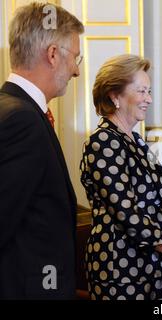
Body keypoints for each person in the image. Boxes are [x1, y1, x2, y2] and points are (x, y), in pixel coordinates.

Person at [80, 54, 162, 300]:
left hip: (154, 264)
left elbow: (159, 195)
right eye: (142, 91)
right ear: (115, 96)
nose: (149, 99)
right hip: (121, 266)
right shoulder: (103, 142)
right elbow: (128, 214)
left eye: (149, 91)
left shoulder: (135, 140)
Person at [0, 3, 84, 299]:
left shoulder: (13, 109)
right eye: (76, 57)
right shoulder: (21, 120)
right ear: (52, 54)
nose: (76, 70)